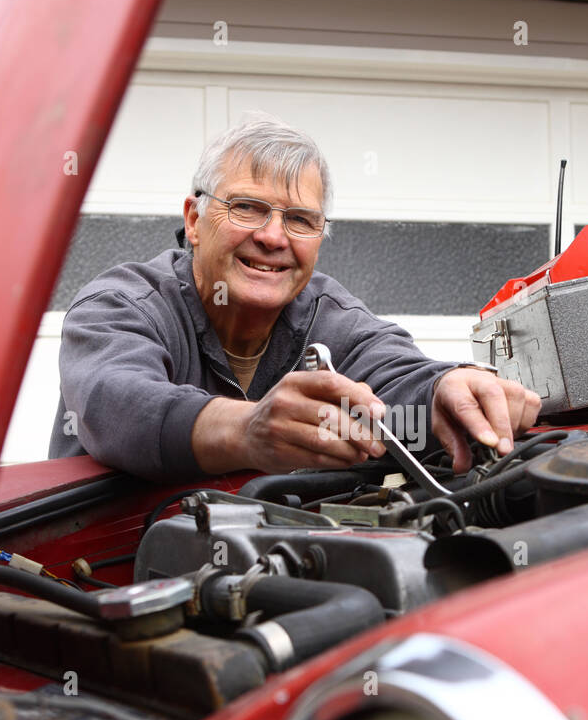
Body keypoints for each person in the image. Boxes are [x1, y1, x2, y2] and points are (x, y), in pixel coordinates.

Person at [48, 116, 541, 482]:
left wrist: (444, 390)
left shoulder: (331, 317)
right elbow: (119, 403)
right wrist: (249, 430)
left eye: (300, 220)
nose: (273, 236)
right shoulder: (121, 306)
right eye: (247, 208)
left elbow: (396, 371)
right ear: (194, 221)